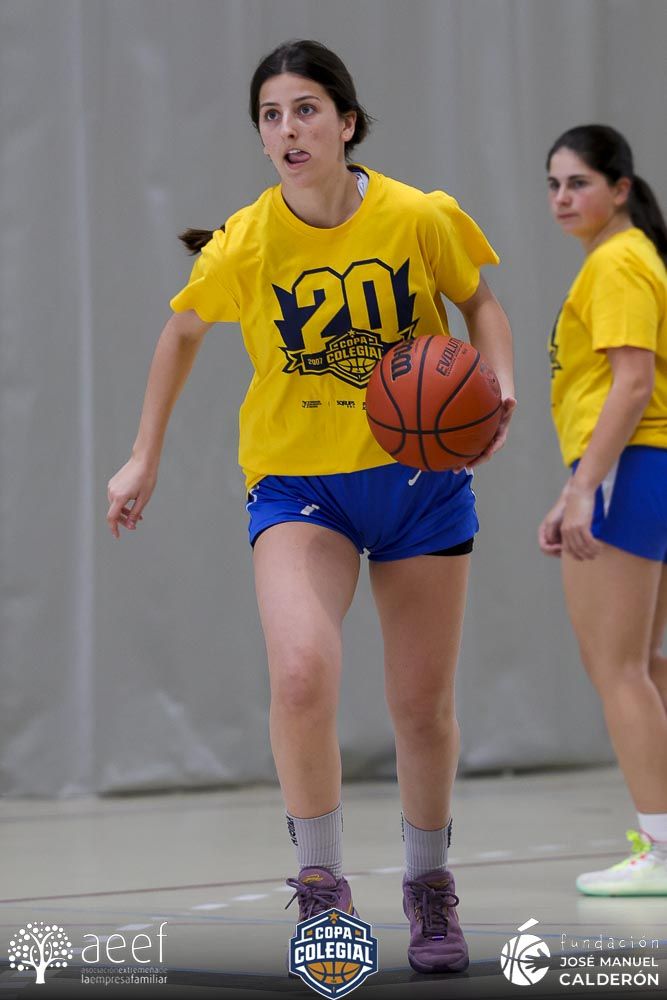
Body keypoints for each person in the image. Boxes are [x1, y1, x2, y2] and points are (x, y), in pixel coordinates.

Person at [107, 39, 515, 972]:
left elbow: (481, 303)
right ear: (260, 136)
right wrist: (142, 456)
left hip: (418, 485)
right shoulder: (246, 240)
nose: (287, 129)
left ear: (346, 122)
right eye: (270, 115)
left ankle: (428, 886)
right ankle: (323, 887)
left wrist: (498, 387)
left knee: (420, 708)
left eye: (304, 109)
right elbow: (180, 332)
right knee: (299, 676)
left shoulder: (418, 216)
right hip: (299, 488)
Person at [540, 124, 667, 896]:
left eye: (577, 182)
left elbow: (632, 382)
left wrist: (582, 487)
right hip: (643, 468)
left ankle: (659, 850)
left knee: (615, 667)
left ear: (618, 188)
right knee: (642, 665)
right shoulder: (630, 256)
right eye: (552, 184)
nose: (561, 198)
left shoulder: (617, 261)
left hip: (631, 466)